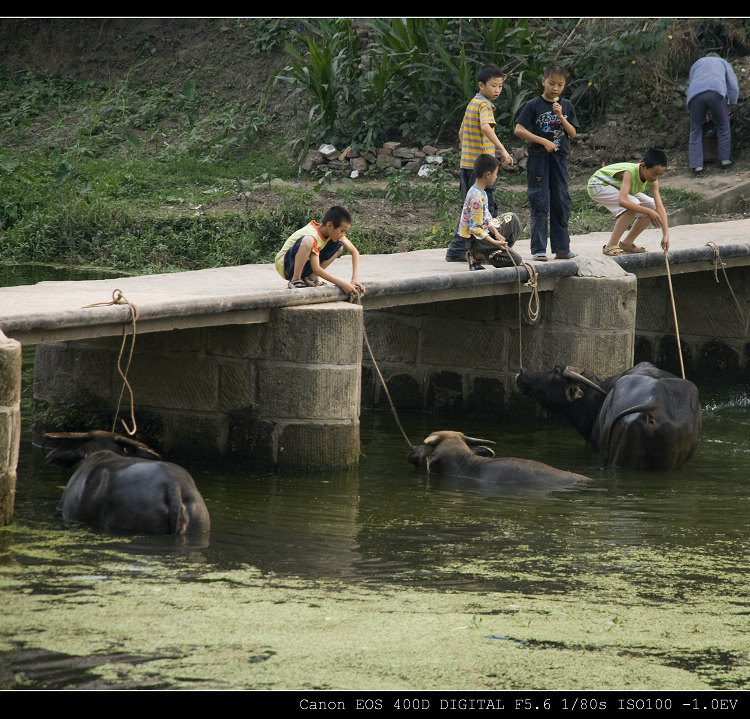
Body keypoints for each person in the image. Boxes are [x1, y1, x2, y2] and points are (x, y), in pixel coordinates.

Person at [446, 64, 514, 262]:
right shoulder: (484, 106)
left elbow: (461, 132)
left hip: (468, 165)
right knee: (486, 210)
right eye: (493, 86)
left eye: (500, 86)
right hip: (481, 167)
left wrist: (468, 149)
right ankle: (480, 250)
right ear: (481, 85)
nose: (497, 90)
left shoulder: (472, 104)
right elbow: (485, 127)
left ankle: (458, 249)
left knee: (469, 209)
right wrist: (501, 150)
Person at [514, 64, 579, 261]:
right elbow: (519, 130)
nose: (555, 88)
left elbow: (573, 133)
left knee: (561, 201)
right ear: (543, 82)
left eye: (560, 85)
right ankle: (539, 249)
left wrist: (560, 116)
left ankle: (561, 248)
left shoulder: (566, 106)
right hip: (538, 159)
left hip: (559, 159)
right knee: (540, 201)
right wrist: (543, 141)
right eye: (551, 83)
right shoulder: (533, 105)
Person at [587, 148, 670, 256]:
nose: (656, 178)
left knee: (652, 205)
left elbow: (659, 206)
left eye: (660, 175)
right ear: (642, 166)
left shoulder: (653, 180)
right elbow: (623, 201)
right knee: (632, 205)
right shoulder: (629, 173)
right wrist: (649, 212)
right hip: (598, 185)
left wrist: (666, 234)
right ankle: (610, 246)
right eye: (654, 174)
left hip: (615, 187)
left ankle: (627, 243)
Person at [275, 205, 365, 294]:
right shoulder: (313, 235)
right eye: (342, 231)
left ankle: (310, 280)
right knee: (308, 240)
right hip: (286, 265)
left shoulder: (331, 232)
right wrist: (342, 284)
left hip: (301, 265)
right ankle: (295, 280)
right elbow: (316, 268)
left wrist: (354, 280)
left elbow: (354, 251)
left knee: (338, 246)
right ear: (329, 225)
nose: (343, 234)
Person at [456, 153, 522, 271]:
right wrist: (495, 242)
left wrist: (496, 234)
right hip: (476, 240)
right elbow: (475, 229)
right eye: (496, 174)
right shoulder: (476, 197)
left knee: (513, 219)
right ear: (488, 175)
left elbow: (487, 217)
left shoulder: (481, 192)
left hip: (484, 232)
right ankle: (478, 255)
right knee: (516, 260)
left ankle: (498, 251)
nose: (496, 177)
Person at [686, 55, 739, 173]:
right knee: (723, 125)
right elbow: (733, 85)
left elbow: (692, 82)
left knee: (695, 129)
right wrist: (732, 102)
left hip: (694, 94)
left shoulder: (697, 63)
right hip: (716, 90)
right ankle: (725, 161)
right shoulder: (723, 62)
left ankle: (697, 166)